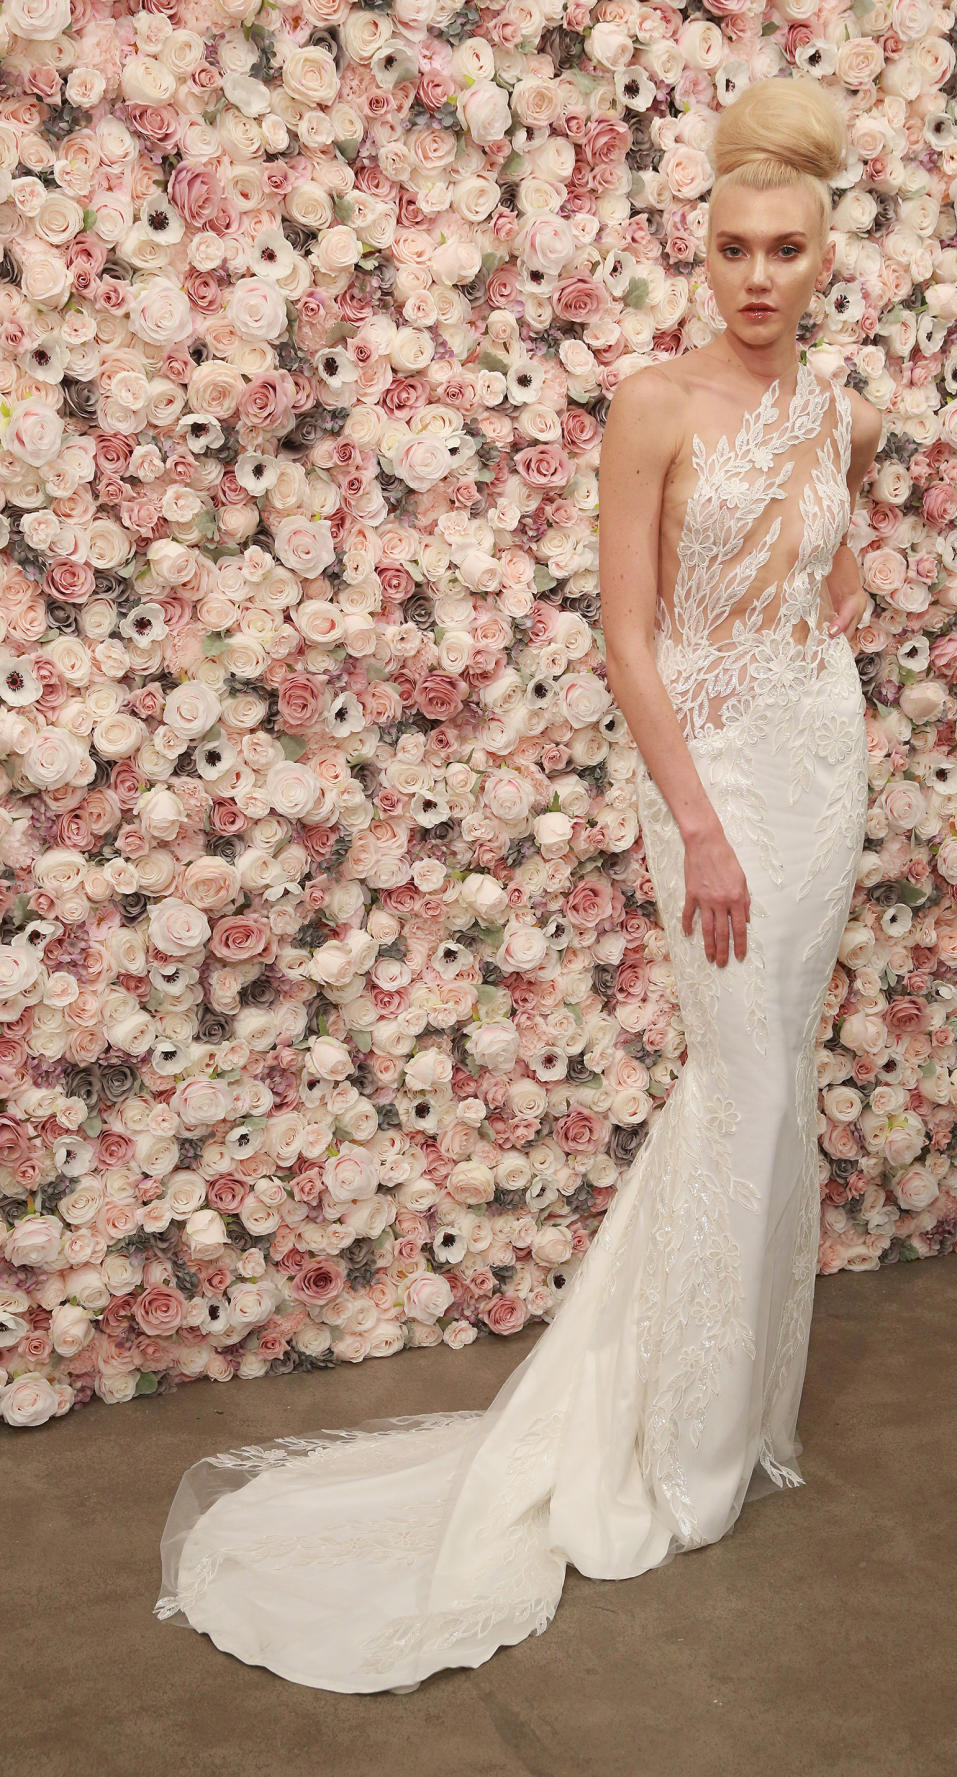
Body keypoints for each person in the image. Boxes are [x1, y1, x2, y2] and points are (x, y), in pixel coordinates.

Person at [153, 73, 881, 1695]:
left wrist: (818, 634)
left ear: (825, 258)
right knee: (739, 1077)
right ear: (700, 253)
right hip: (708, 786)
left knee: (774, 1094)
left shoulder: (847, 412)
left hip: (820, 772)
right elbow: (627, 637)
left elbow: (836, 577)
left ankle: (725, 1420)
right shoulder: (652, 403)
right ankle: (675, 1450)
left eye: (784, 250)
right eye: (731, 249)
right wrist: (693, 815)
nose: (756, 276)